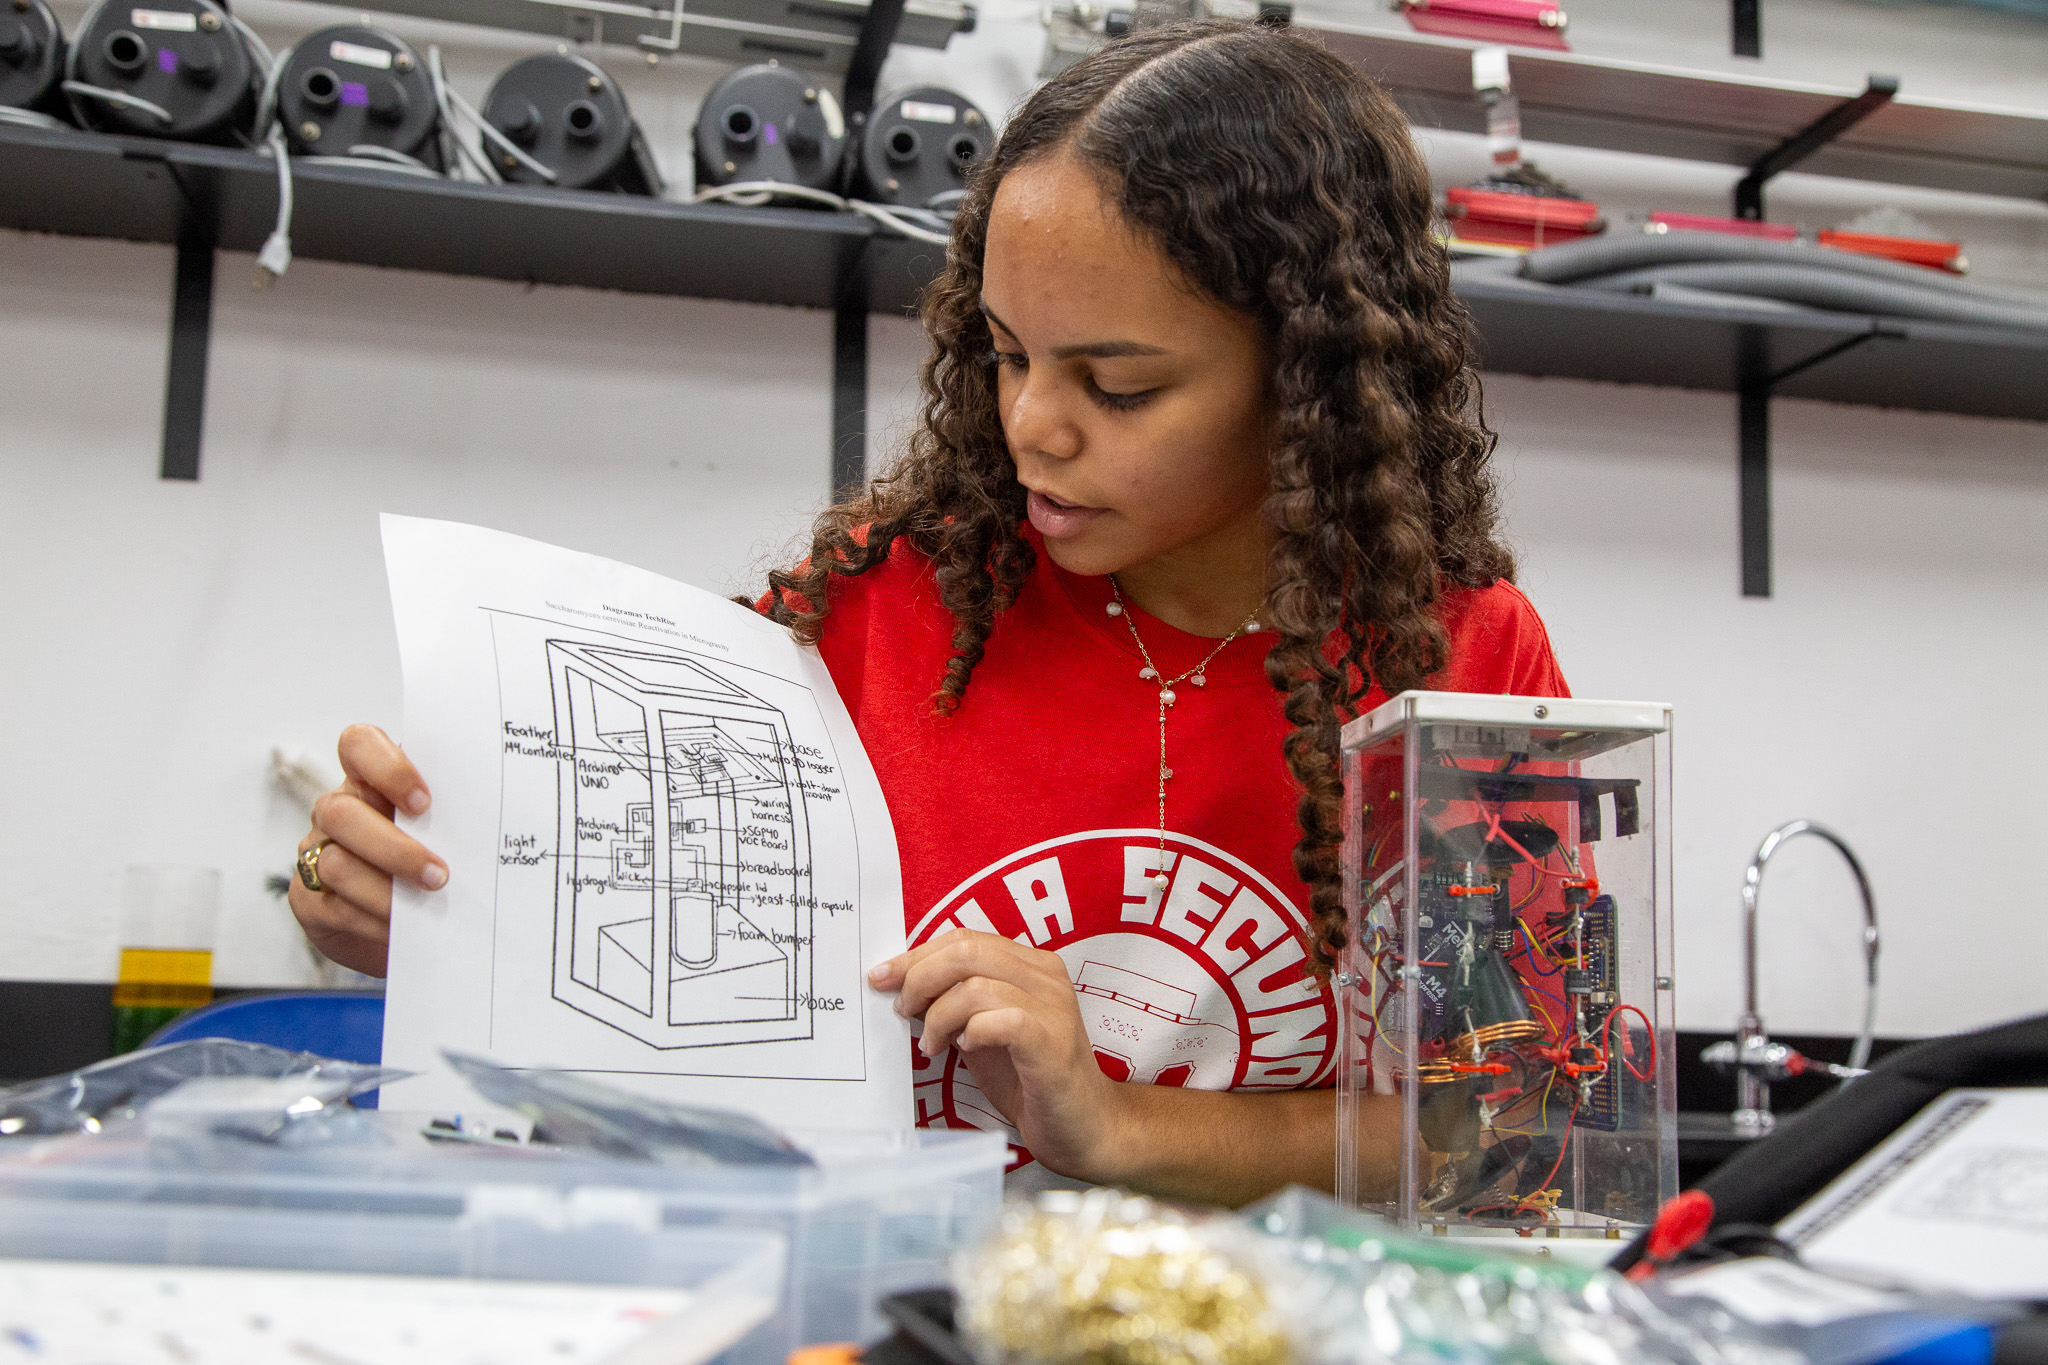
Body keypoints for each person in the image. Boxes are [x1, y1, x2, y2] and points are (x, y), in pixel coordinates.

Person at [287, 18, 1568, 1207]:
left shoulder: (1463, 661)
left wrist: (1119, 1125)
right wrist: (433, 918)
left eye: (1115, 387)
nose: (1029, 428)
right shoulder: (885, 607)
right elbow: (649, 992)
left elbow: (1502, 1124)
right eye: (1008, 352)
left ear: (1309, 382)